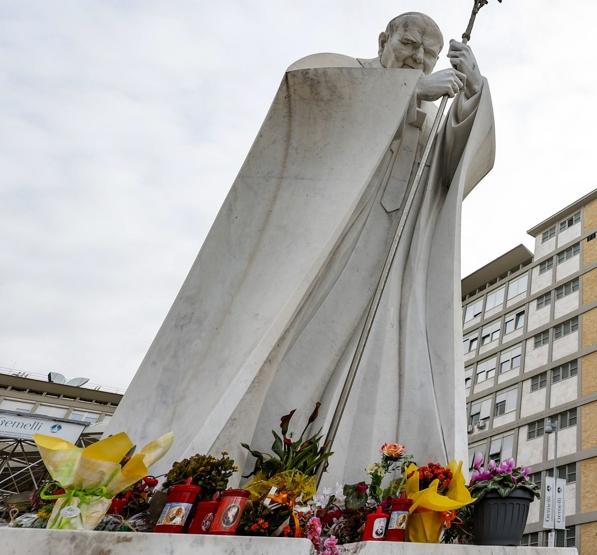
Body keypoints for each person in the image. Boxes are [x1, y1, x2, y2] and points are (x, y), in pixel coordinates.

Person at [107, 12, 495, 484]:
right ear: (383, 39)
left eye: (426, 54)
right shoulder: (344, 73)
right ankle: (234, 471)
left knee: (370, 370)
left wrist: (472, 94)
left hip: (387, 264)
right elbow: (306, 92)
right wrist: (408, 91)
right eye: (409, 44)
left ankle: (338, 482)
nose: (416, 58)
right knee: (289, 356)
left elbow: (452, 168)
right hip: (321, 249)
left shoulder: (431, 111)